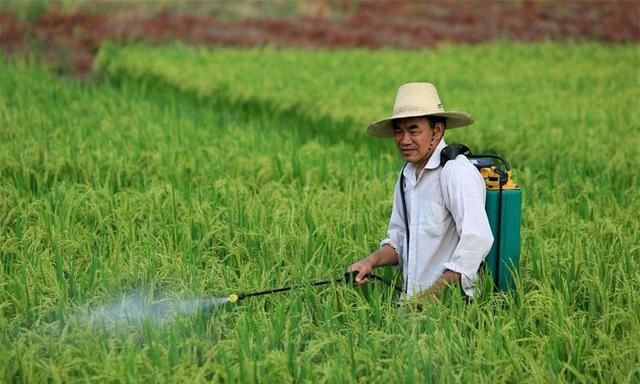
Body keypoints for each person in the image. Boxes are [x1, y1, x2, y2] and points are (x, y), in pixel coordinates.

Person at [348, 82, 494, 300]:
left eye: (413, 130)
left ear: (437, 130)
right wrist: (369, 262)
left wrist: (431, 297)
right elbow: (398, 240)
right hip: (412, 309)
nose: (404, 140)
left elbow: (478, 239)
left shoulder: (455, 172)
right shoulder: (406, 176)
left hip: (449, 309)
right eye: (398, 132)